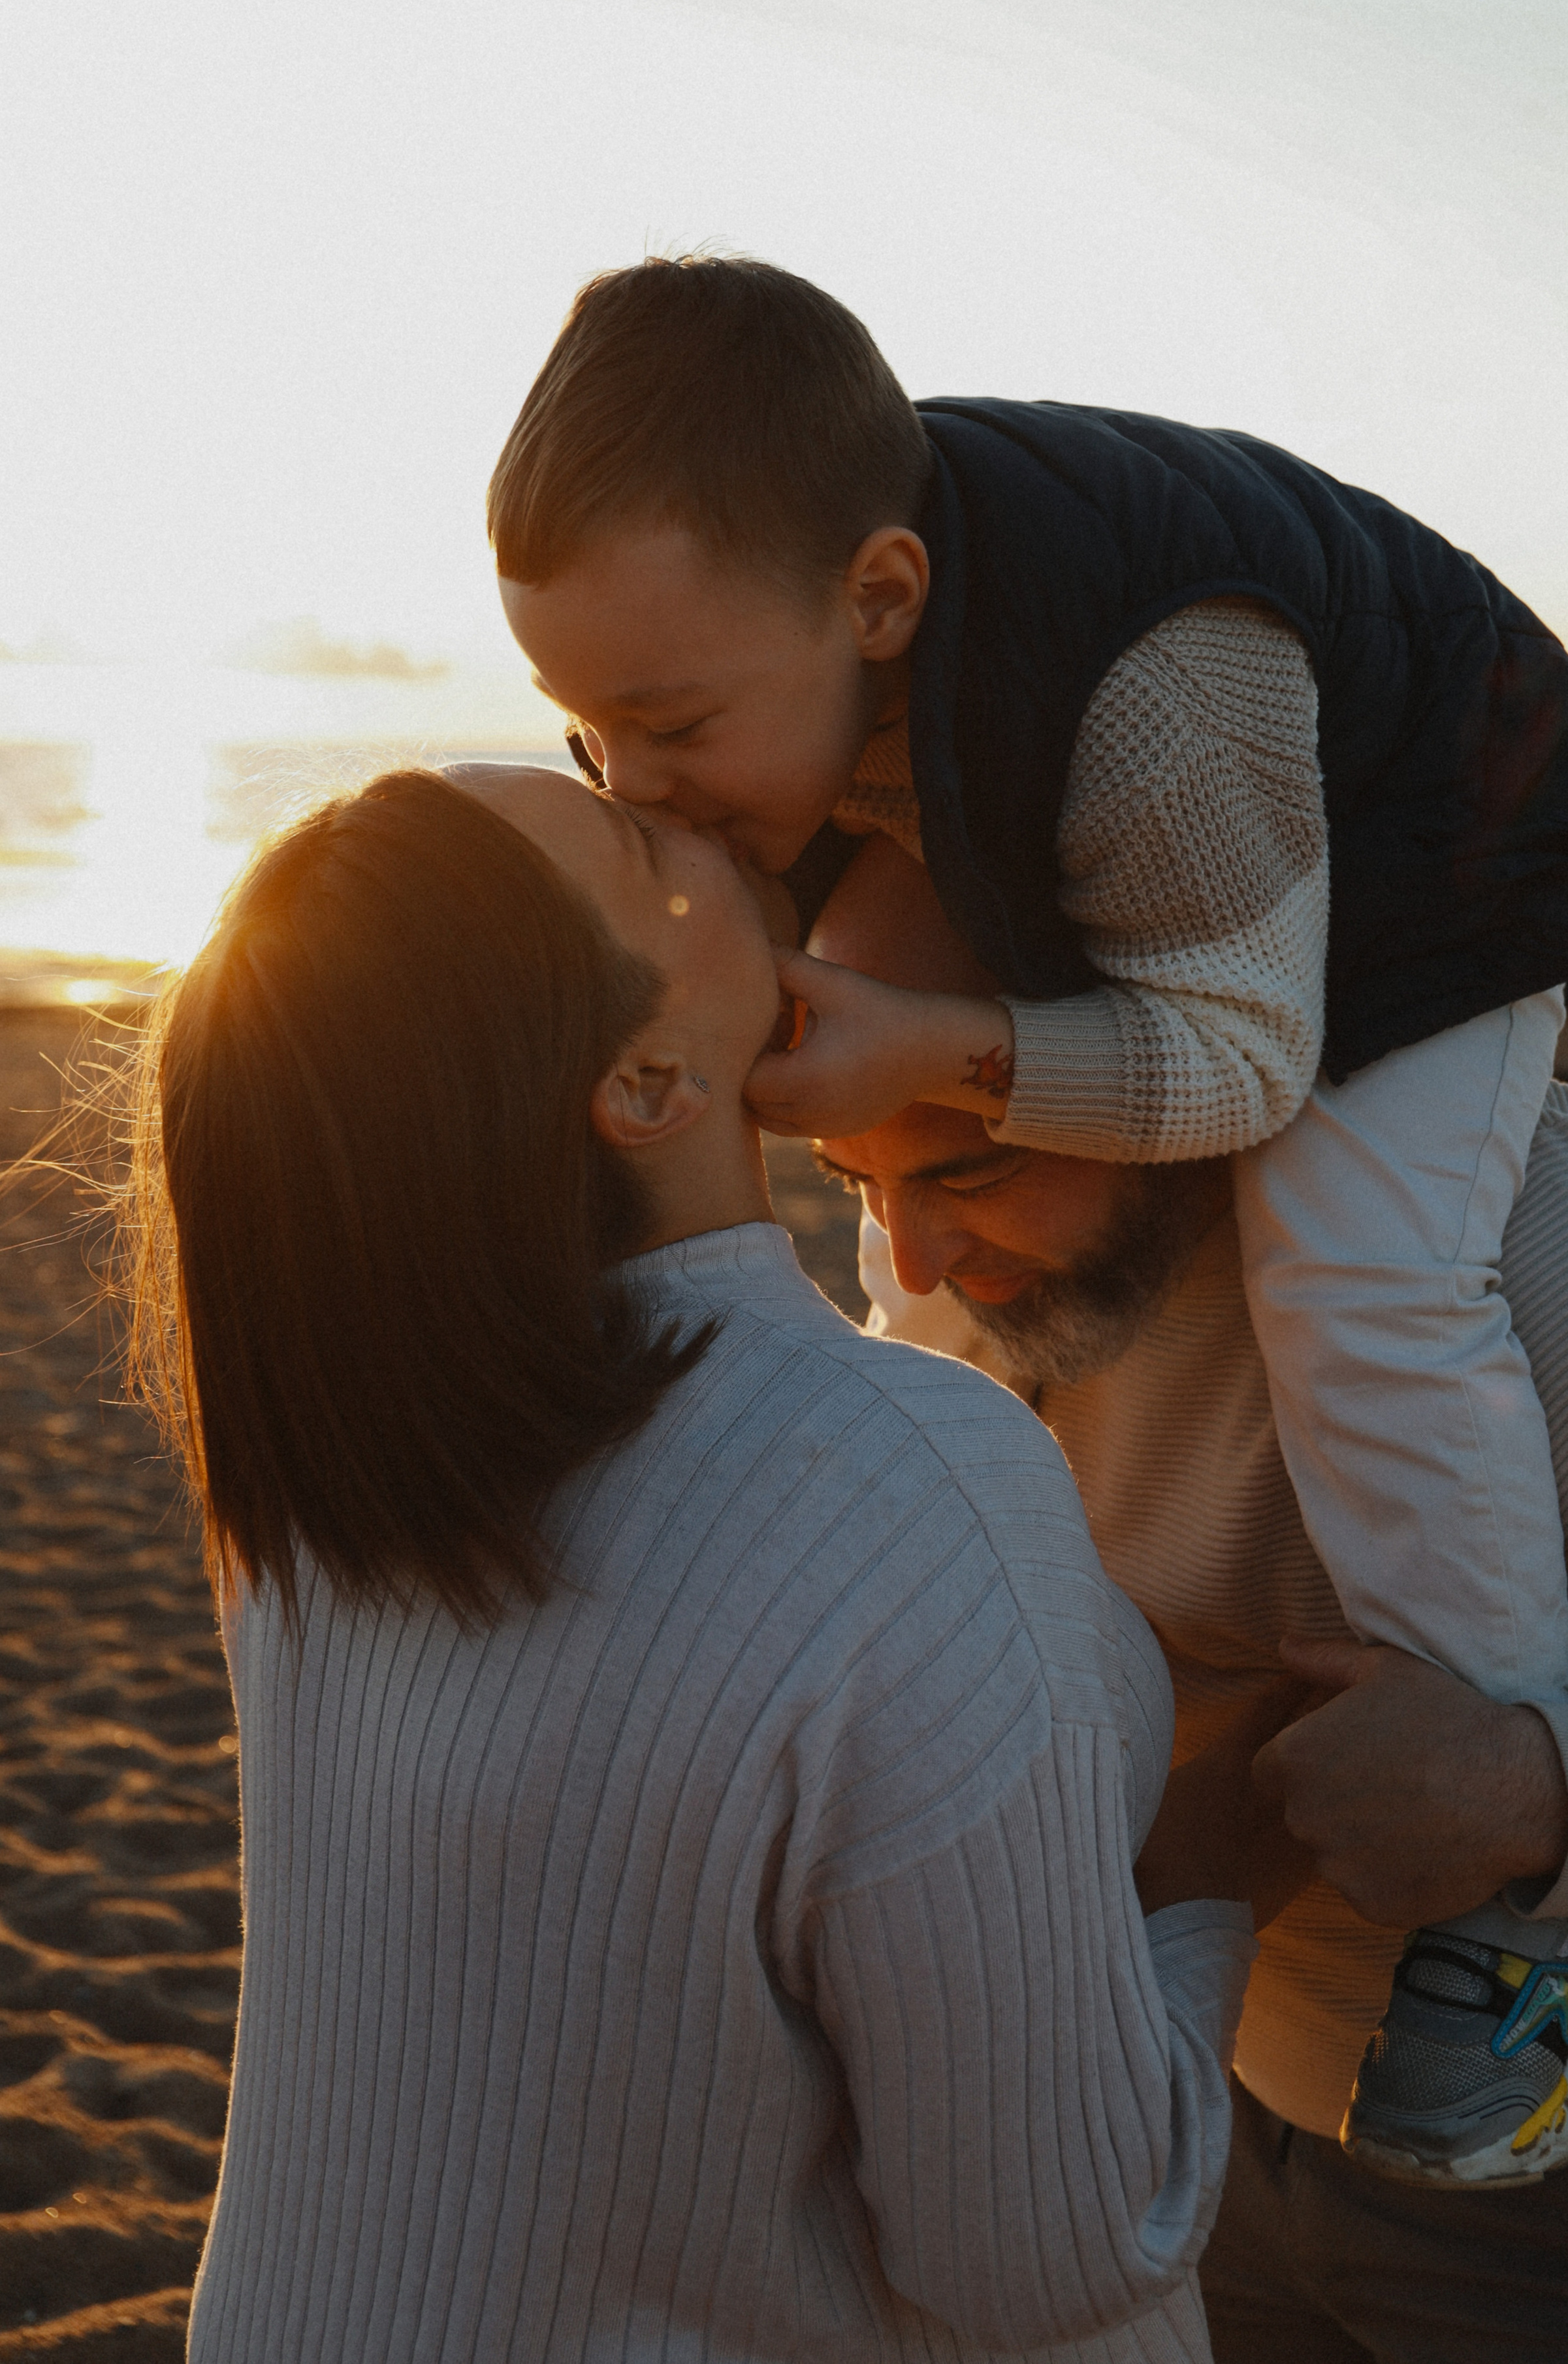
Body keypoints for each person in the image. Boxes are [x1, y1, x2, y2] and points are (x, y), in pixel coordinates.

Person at [484, 252, 1568, 2184]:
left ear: (877, 597)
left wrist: (1548, 1794)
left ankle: (1513, 1938)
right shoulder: (845, 710)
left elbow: (1244, 1062)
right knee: (918, 1338)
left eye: (671, 724)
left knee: (1371, 1279)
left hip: (1446, 879)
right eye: (586, 729)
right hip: (1231, 2129)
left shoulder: (1148, 700)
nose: (636, 784)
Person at [125, 761, 1298, 2364]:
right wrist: (1204, 1874)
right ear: (651, 1079)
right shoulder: (903, 1478)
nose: (684, 801)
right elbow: (1060, 2249)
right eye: (633, 838)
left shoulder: (337, 1461)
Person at [807, 834, 1568, 2361]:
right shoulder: (964, 1293)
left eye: (974, 1166)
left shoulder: (1537, 1254)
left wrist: (1542, 1789)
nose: (918, 1252)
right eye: (859, 1183)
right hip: (1215, 2133)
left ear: (1166, 1069)